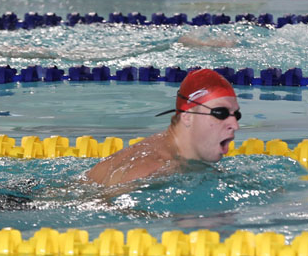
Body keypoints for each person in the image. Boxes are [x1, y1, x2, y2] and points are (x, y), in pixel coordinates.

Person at [86, 68, 241, 186]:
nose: (234, 125)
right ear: (188, 117)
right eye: (220, 113)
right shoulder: (153, 168)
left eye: (236, 115)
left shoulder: (177, 157)